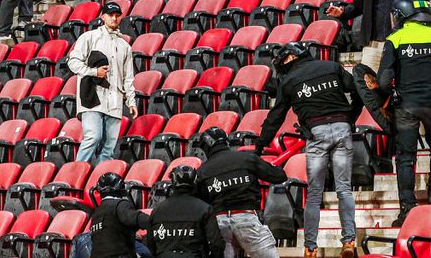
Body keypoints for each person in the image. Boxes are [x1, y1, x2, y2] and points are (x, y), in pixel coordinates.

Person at [257, 41, 361, 258]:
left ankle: (310, 248)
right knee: (344, 189)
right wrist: (351, 116)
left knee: (314, 194)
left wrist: (259, 147)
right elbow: (359, 86)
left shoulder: (289, 81)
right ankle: (349, 241)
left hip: (316, 133)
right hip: (343, 128)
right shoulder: (331, 66)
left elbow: (275, 118)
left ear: (288, 59)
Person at [378, 0, 431, 225]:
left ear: (403, 14)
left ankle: (406, 208)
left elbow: (383, 81)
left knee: (405, 157)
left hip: (406, 106)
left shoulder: (396, 38)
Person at [194, 126, 286, 258]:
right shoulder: (247, 158)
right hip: (247, 219)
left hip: (219, 223)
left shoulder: (202, 171)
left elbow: (201, 203)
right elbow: (279, 176)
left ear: (207, 147)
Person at [67, 1, 137, 163]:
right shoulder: (89, 37)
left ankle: (98, 181)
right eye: (110, 15)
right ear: (103, 17)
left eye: (117, 16)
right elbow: (73, 62)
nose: (114, 18)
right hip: (92, 96)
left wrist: (131, 101)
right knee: (93, 137)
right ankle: (77, 171)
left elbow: (128, 77)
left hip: (115, 99)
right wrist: (93, 72)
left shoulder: (125, 46)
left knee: (108, 148)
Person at [145, 165, 222, 258]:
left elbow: (150, 244)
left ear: (173, 182)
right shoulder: (205, 209)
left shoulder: (156, 211)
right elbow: (216, 244)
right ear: (194, 182)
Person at [88, 172, 149, 258]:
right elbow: (139, 219)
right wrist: (156, 221)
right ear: (120, 187)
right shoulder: (120, 204)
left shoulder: (96, 213)